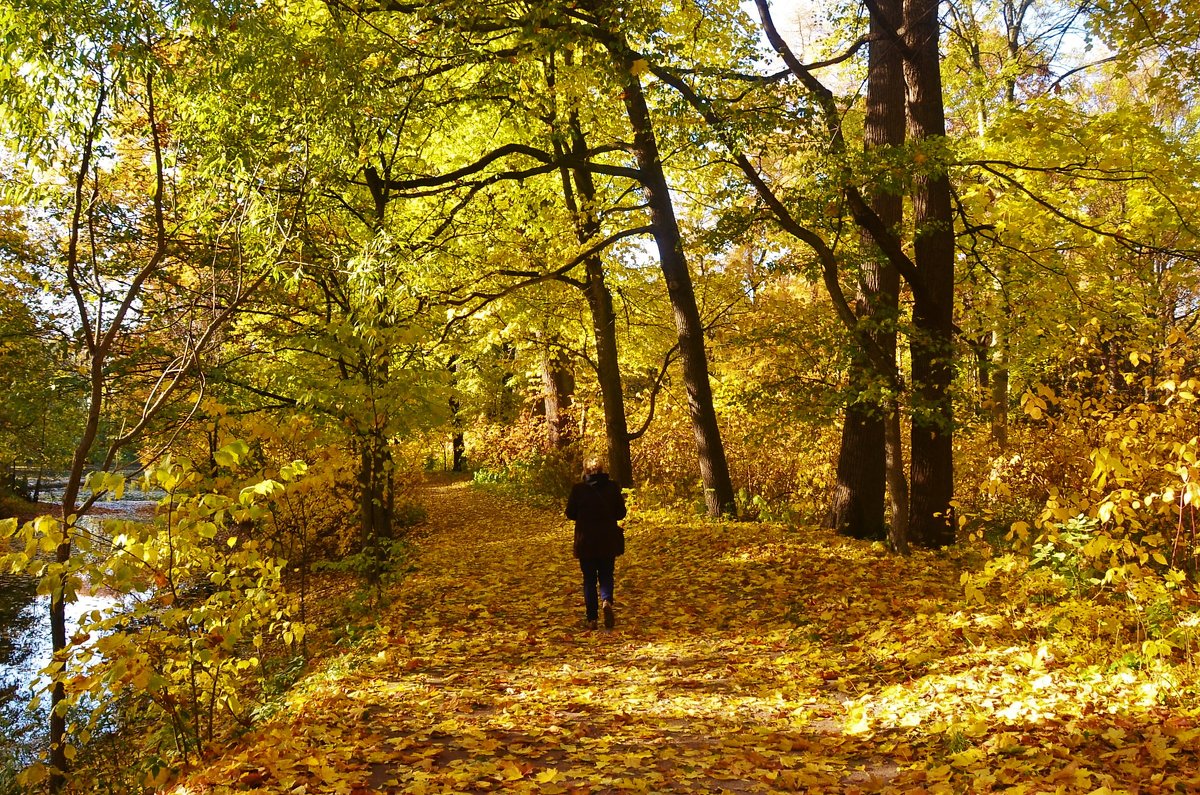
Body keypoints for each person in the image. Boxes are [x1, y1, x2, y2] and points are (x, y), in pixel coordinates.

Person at [565, 458, 626, 630]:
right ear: (602, 469)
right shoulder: (612, 487)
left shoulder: (579, 490)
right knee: (607, 574)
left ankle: (592, 618)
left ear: (586, 470)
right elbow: (621, 513)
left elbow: (570, 513)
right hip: (607, 540)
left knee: (589, 579)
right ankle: (606, 600)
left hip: (586, 541)